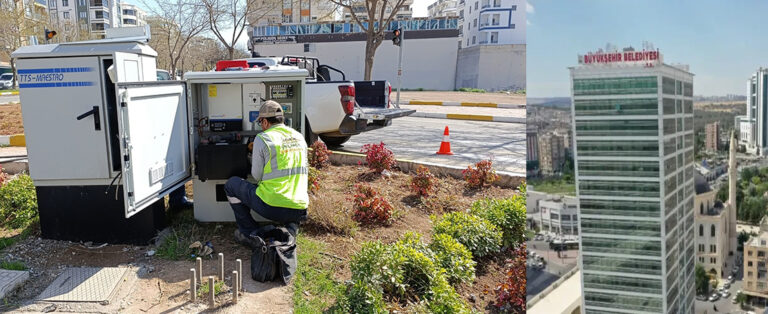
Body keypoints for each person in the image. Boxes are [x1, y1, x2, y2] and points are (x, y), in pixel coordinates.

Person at [224, 100, 308, 246]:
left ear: (264, 122)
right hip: (300, 209)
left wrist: (252, 158)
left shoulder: (263, 138)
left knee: (232, 185)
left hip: (272, 206)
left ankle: (249, 233)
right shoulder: (299, 137)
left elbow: (256, 176)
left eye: (260, 123)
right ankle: (291, 227)